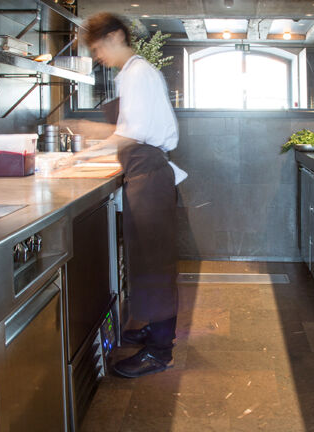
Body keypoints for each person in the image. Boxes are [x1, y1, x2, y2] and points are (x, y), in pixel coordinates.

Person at [65, 12, 185, 378]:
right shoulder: (132, 73)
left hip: (148, 173)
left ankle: (160, 351)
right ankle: (155, 330)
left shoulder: (137, 73)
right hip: (143, 172)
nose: (98, 56)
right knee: (148, 260)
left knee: (154, 263)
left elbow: (132, 134)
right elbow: (132, 128)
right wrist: (94, 132)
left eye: (99, 47)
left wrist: (85, 152)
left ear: (116, 36)